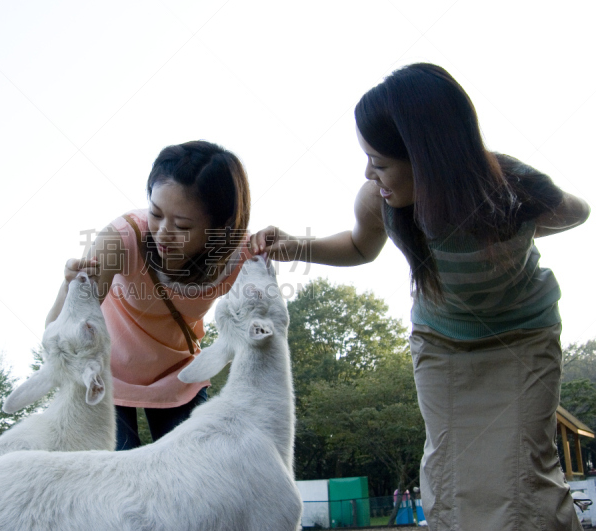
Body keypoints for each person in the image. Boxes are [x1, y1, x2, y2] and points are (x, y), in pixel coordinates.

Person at [251, 63, 590, 530]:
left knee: (522, 469)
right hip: (442, 343)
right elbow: (358, 247)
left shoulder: (511, 186)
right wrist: (295, 244)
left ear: (429, 155)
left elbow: (577, 211)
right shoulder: (379, 200)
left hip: (522, 340)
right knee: (449, 468)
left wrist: (521, 222)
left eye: (381, 161)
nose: (370, 171)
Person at [47, 140, 252, 451]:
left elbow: (353, 246)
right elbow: (58, 330)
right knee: (117, 474)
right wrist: (69, 287)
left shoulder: (237, 256)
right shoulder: (121, 239)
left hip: (179, 376)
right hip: (105, 377)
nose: (162, 232)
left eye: (182, 225)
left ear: (219, 229)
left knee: (191, 473)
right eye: (155, 213)